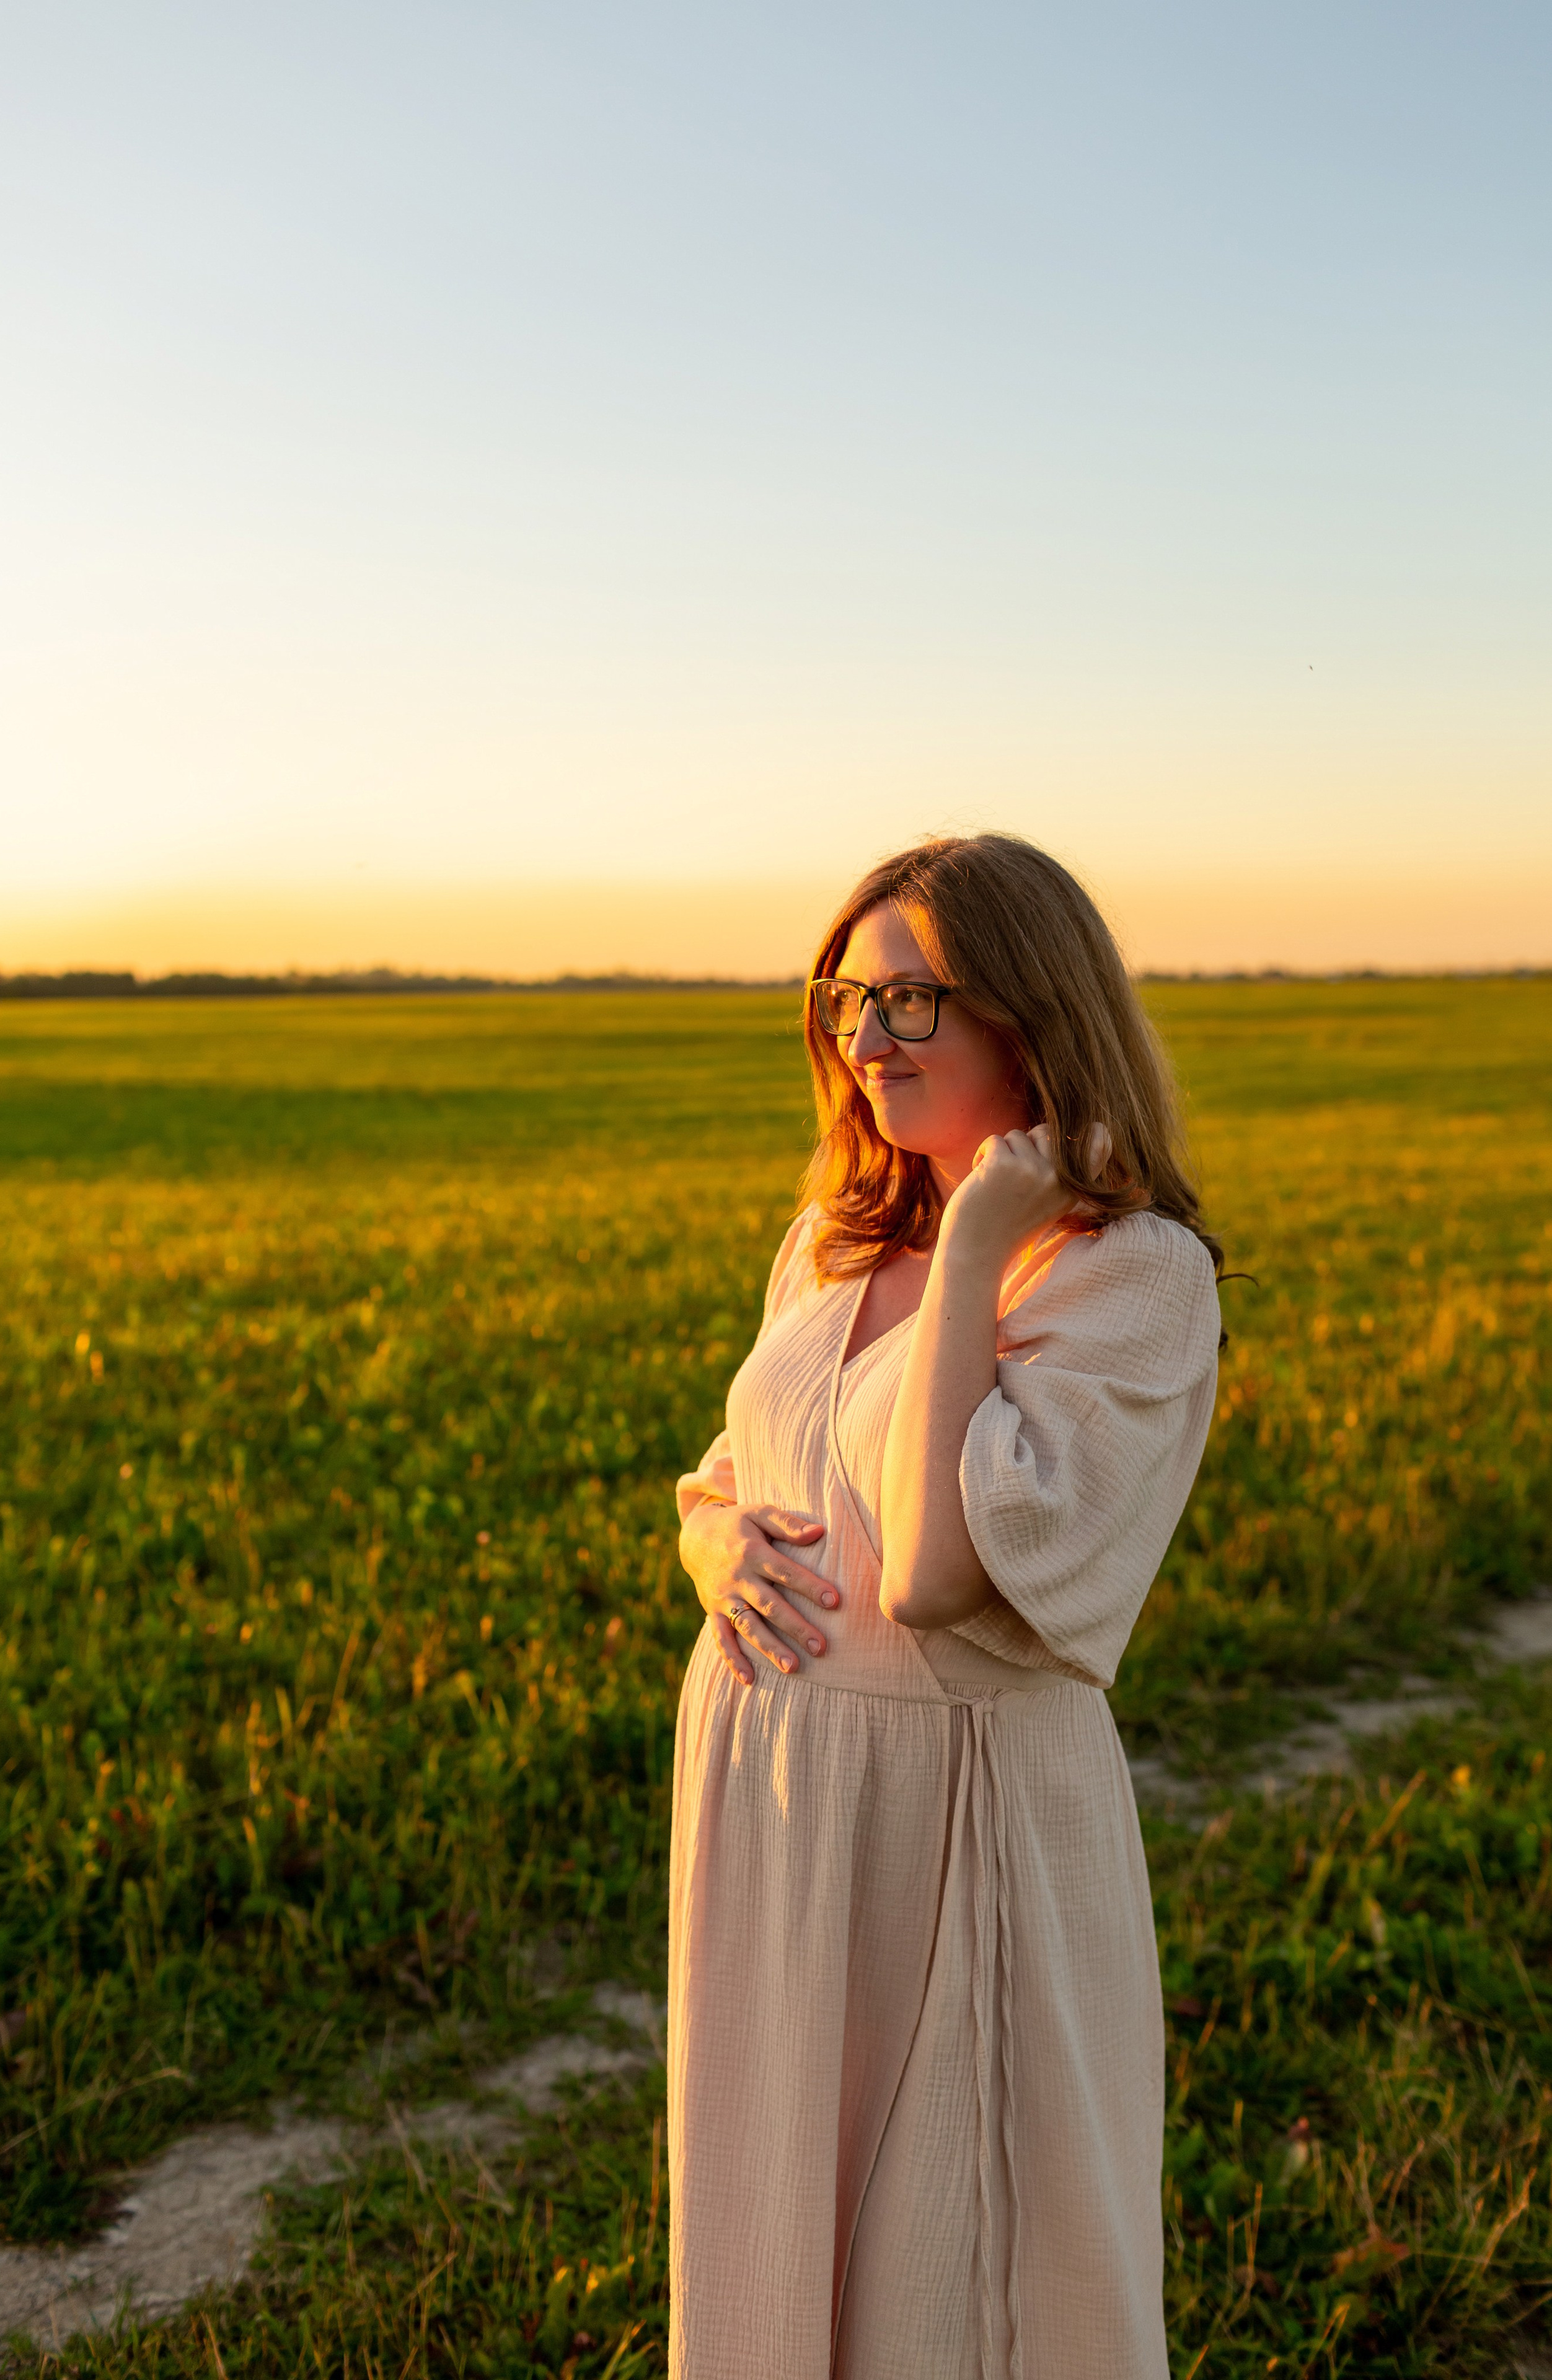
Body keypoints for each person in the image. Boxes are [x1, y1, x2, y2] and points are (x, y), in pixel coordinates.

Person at [669, 834, 1221, 2379]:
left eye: (912, 1000)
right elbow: (734, 1470)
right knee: (773, 2239)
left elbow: (928, 1571)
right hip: (777, 1813)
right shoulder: (833, 1240)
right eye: (849, 997)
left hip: (956, 1825)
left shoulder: (1128, 1276)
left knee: (956, 2288)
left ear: (1029, 1012)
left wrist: (979, 1239)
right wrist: (710, 1555)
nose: (864, 1041)